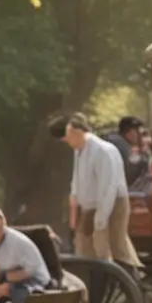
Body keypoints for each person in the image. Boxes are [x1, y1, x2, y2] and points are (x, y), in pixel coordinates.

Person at [64, 114, 139, 268]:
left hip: (113, 203)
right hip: (89, 205)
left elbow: (108, 188)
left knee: (116, 245)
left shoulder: (103, 151)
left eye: (69, 135)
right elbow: (76, 180)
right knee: (83, 244)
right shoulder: (79, 150)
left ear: (79, 132)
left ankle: (133, 282)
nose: (67, 140)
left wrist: (101, 219)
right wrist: (75, 204)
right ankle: (92, 282)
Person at [118, 116, 152, 198]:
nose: (139, 135)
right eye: (136, 131)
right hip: (134, 194)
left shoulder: (128, 147)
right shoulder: (124, 149)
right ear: (128, 134)